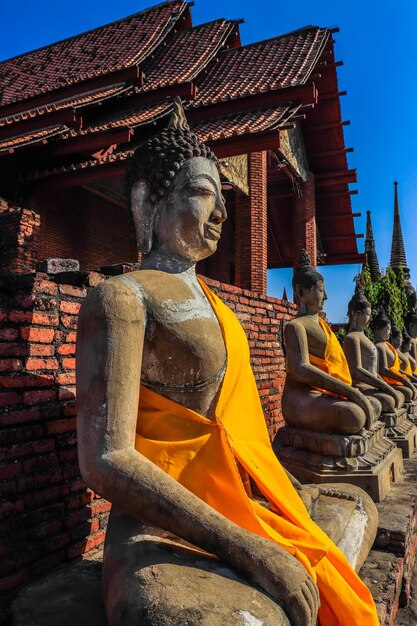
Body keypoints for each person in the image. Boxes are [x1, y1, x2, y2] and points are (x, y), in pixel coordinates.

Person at [76, 99, 379, 626]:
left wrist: (276, 499)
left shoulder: (219, 305)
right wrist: (245, 547)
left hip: (239, 495)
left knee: (356, 509)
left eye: (222, 198)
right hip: (164, 522)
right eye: (201, 194)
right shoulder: (123, 299)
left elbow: (241, 436)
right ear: (149, 203)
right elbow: (105, 459)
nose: (220, 213)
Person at [282, 252, 381, 435]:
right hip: (301, 398)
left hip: (322, 395)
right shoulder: (295, 326)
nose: (326, 296)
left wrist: (352, 392)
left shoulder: (321, 325)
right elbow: (300, 368)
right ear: (301, 291)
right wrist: (351, 392)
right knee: (354, 416)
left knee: (376, 404)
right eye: (320, 290)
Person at [343, 281, 403, 413]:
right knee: (389, 401)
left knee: (398, 396)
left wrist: (385, 385)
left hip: (373, 385)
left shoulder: (366, 339)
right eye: (368, 314)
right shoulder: (351, 338)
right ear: (356, 314)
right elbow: (356, 370)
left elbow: (375, 372)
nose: (370, 319)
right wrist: (385, 387)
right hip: (361, 386)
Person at [373, 309, 416, 403]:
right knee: (409, 392)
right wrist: (403, 380)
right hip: (388, 380)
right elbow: (383, 369)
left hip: (395, 378)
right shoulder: (379, 346)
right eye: (387, 329)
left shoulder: (387, 345)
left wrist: (408, 379)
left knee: (412, 389)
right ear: (378, 330)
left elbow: (396, 369)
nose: (390, 332)